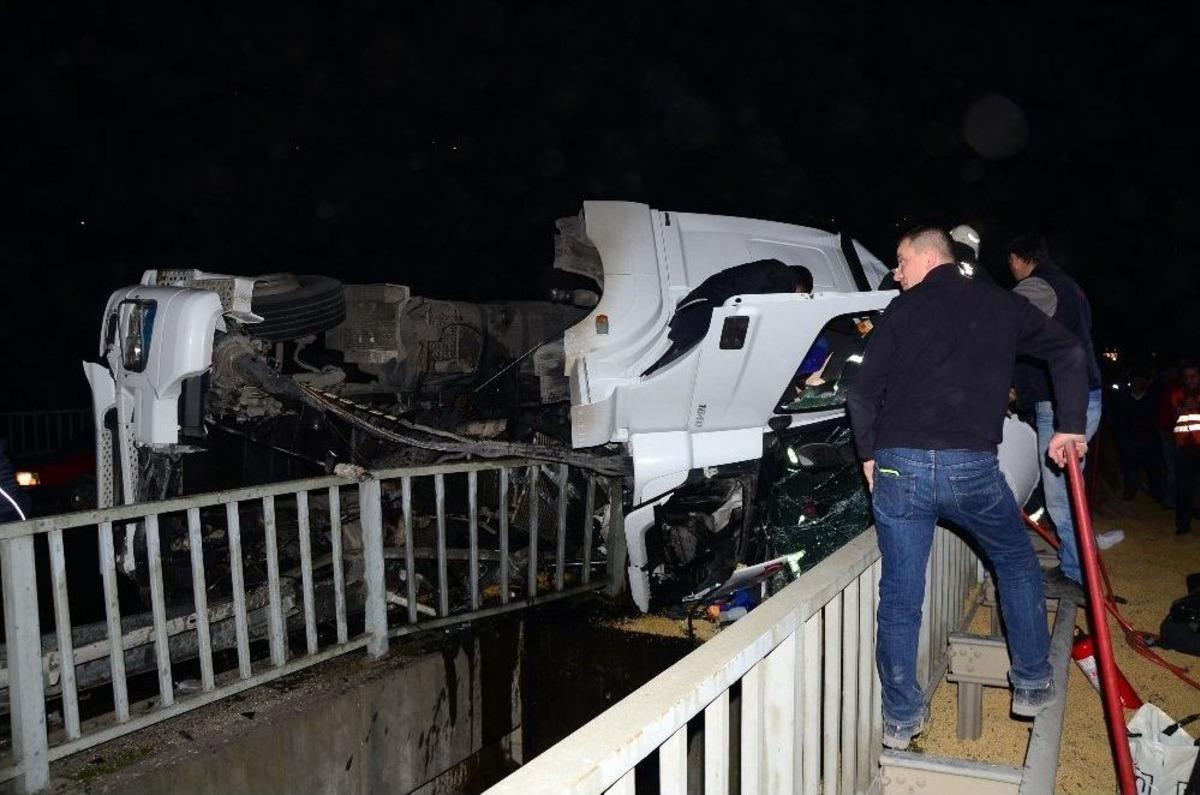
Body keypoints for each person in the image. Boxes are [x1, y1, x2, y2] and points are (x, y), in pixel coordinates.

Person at [848, 226, 1088, 749]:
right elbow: (1068, 352)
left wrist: (869, 456)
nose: (895, 272)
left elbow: (862, 391)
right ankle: (1029, 682)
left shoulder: (902, 312)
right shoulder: (1001, 305)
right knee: (1016, 563)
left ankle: (901, 718)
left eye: (900, 261)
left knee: (901, 594)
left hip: (898, 468)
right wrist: (1070, 425)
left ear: (929, 257)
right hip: (970, 469)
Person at [1007, 234, 1102, 592]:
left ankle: (1077, 574)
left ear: (1018, 258)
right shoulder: (1070, 286)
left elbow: (1004, 327)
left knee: (1060, 494)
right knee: (1066, 490)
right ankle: (1080, 563)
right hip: (1076, 394)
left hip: (1065, 402)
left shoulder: (1037, 286)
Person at [648, 259, 813, 372]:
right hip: (703, 314)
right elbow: (763, 315)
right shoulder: (786, 279)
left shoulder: (771, 270)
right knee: (664, 369)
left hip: (697, 308)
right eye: (802, 296)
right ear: (801, 286)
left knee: (663, 364)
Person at [1112, 369, 1166, 502]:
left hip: (1149, 442)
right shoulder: (1123, 399)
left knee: (1153, 471)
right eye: (1135, 381)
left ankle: (1158, 497)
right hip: (1130, 442)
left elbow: (1157, 418)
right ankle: (1130, 493)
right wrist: (1122, 439)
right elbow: (1118, 419)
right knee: (1130, 470)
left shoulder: (1153, 399)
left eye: (1141, 381)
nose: (1137, 384)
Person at [1167, 362, 1200, 535]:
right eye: (1187, 377)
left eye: (1193, 376)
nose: (1190, 380)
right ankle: (1183, 525)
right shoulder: (1177, 395)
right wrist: (1178, 411)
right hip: (1184, 449)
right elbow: (1172, 419)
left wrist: (1195, 405)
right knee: (1184, 488)